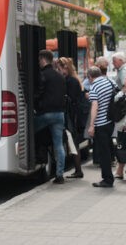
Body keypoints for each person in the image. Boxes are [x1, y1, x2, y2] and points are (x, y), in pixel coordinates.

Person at [33, 50, 67, 184]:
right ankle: (59, 175)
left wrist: (35, 103)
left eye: (38, 60)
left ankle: (37, 157)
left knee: (28, 132)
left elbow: (39, 93)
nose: (38, 63)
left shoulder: (42, 75)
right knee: (59, 145)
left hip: (45, 114)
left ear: (43, 59)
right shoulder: (60, 76)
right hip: (59, 114)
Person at [87, 66, 116, 188]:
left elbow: (95, 106)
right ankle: (109, 177)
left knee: (103, 153)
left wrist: (91, 125)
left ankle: (107, 179)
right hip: (110, 121)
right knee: (107, 150)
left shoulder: (94, 87)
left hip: (101, 123)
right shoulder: (109, 82)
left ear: (90, 77)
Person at [56, 57, 86, 179]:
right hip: (73, 116)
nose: (58, 71)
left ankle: (78, 170)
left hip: (71, 116)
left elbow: (71, 100)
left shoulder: (70, 81)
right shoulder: (74, 79)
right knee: (73, 143)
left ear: (65, 68)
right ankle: (78, 170)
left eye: (59, 69)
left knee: (73, 143)